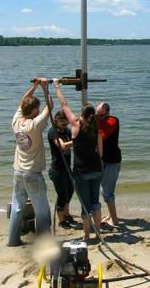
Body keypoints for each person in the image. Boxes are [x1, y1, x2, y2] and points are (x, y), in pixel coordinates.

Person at [53, 78, 103, 242]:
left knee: (85, 206)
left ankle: (87, 235)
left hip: (81, 171)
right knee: (96, 203)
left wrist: (57, 86)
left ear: (81, 115)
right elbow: (100, 153)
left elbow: (64, 105)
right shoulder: (96, 129)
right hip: (96, 169)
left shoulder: (75, 125)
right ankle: (98, 233)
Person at [7, 77, 53, 247]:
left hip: (18, 172)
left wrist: (33, 87)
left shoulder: (16, 122)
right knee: (41, 210)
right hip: (32, 173)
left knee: (17, 208)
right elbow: (50, 107)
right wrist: (43, 87)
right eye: (37, 109)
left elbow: (21, 103)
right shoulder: (35, 125)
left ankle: (12, 240)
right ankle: (44, 241)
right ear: (34, 110)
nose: (39, 110)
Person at [48, 110, 77, 229]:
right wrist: (76, 142)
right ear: (57, 120)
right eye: (63, 124)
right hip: (58, 168)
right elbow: (63, 145)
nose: (65, 126)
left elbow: (73, 136)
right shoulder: (53, 132)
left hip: (67, 167)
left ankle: (66, 214)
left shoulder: (66, 131)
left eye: (67, 124)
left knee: (70, 191)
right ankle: (61, 220)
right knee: (62, 194)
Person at [96, 102, 122, 226]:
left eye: (101, 115)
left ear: (108, 113)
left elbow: (104, 132)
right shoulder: (99, 120)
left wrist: (95, 118)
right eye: (97, 114)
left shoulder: (113, 120)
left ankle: (115, 218)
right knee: (105, 188)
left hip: (113, 160)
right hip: (103, 158)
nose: (98, 117)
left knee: (107, 190)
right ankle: (111, 214)